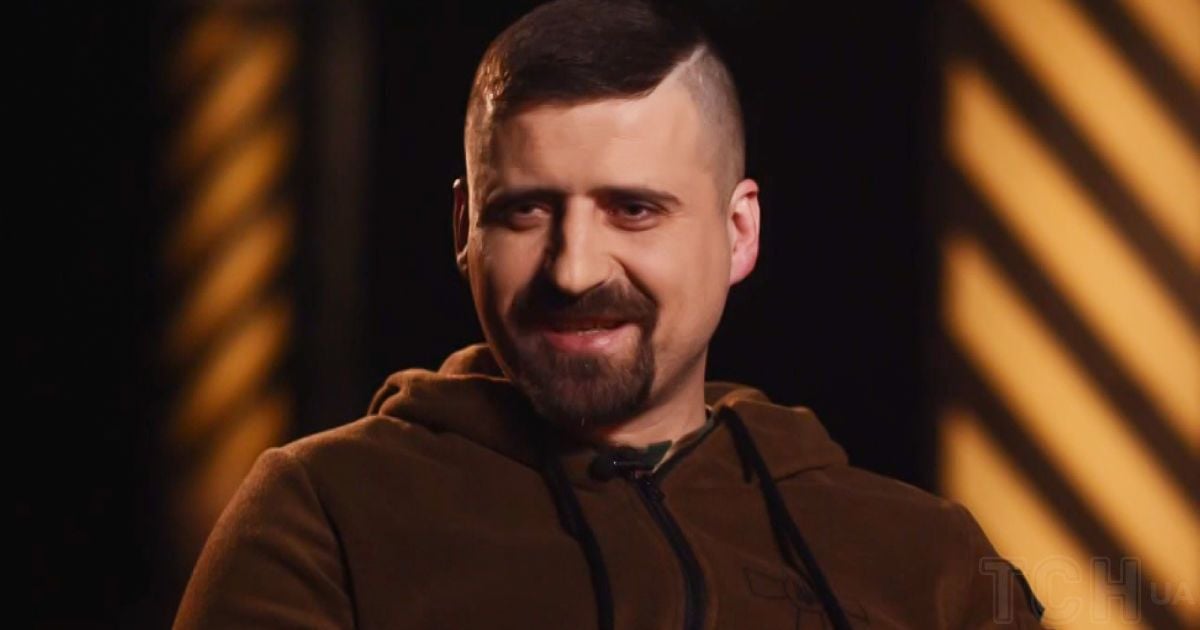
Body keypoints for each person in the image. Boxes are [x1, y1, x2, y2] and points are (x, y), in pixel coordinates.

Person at [173, 1, 1046, 628]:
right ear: (464, 229)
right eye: (526, 211)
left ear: (739, 232)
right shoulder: (325, 517)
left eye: (634, 209)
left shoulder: (923, 557)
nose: (574, 269)